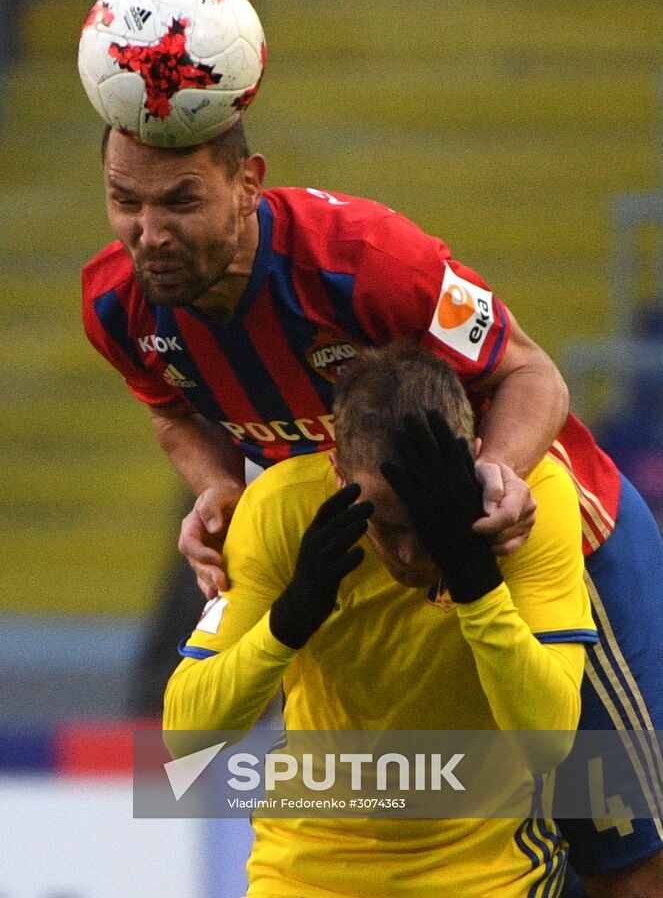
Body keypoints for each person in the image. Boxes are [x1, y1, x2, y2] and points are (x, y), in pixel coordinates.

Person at [82, 122, 663, 896]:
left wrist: (478, 498)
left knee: (620, 846)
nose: (148, 234)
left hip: (539, 538)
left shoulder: (367, 262)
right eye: (126, 202)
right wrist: (218, 486)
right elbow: (172, 412)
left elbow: (531, 373)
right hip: (353, 528)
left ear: (247, 183)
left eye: (180, 202)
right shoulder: (120, 306)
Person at [163, 342, 598, 898]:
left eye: (427, 522)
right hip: (304, 871)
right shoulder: (281, 508)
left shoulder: (529, 506)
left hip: (486, 877)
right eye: (387, 524)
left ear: (478, 457)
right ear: (338, 469)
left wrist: (477, 583)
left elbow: (549, 741)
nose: (412, 554)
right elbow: (185, 736)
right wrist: (287, 623)